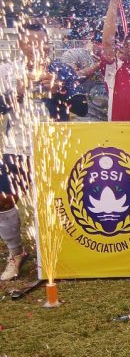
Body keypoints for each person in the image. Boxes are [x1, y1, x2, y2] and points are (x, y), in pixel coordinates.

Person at [0, 23, 80, 280]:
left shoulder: (62, 69)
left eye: (42, 43)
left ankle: (62, 251)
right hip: (17, 146)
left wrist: (60, 91)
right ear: (21, 44)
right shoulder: (8, 70)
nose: (38, 48)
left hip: (53, 147)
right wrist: (17, 92)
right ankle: (16, 253)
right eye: (31, 42)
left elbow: (82, 107)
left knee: (57, 200)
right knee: (3, 199)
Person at [59, 29, 108, 121]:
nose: (107, 47)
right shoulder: (75, 55)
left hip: (111, 118)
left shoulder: (118, 59)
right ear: (94, 42)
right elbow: (69, 79)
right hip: (83, 118)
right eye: (102, 43)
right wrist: (99, 65)